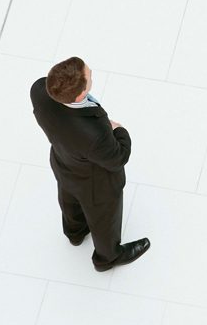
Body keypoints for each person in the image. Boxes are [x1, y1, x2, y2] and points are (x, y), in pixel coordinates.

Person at [30, 57, 150, 272]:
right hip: (96, 183)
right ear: (80, 94)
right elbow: (118, 158)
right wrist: (118, 130)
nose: (91, 74)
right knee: (104, 219)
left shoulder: (39, 90)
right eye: (90, 76)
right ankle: (108, 257)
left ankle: (75, 233)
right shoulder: (94, 135)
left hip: (64, 163)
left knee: (69, 198)